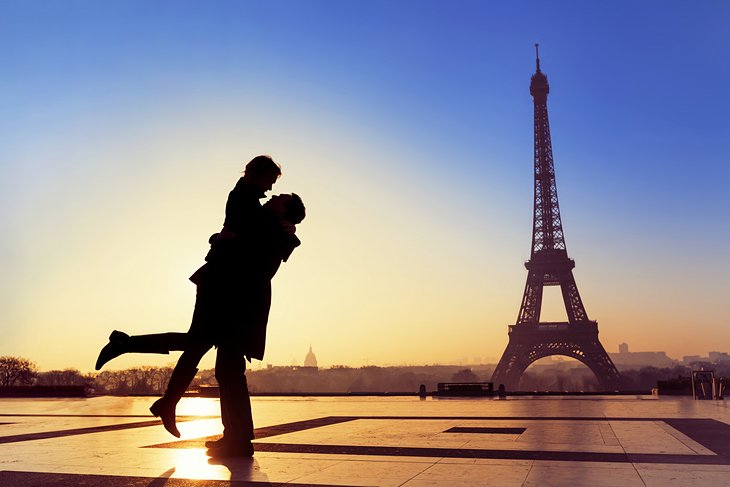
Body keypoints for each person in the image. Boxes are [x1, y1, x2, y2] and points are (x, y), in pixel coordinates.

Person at [96, 156, 305, 457]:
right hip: (233, 302)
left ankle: (131, 351)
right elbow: (239, 224)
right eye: (272, 182)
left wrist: (222, 238)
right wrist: (221, 237)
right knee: (221, 366)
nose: (273, 191)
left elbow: (244, 242)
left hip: (231, 300)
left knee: (203, 349)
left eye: (279, 195)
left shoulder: (269, 225)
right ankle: (234, 437)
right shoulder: (260, 216)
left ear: (284, 211)